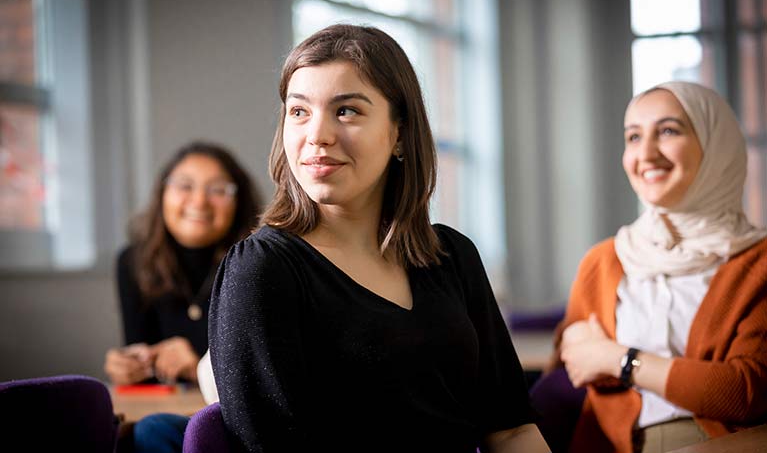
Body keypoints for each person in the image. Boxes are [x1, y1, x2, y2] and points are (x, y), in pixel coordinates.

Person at [208, 24, 549, 453]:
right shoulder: (261, 270)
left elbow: (512, 428)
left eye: (346, 110)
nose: (317, 135)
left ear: (400, 135)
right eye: (299, 112)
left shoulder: (452, 256)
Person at [536, 82, 767, 453]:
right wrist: (586, 356)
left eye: (668, 131)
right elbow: (576, 367)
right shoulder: (604, 260)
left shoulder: (759, 260)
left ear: (715, 145)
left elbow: (744, 393)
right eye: (633, 137)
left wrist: (618, 359)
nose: (645, 153)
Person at [104, 141, 260, 453]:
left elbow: (258, 370)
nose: (199, 201)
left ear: (238, 202)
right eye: (184, 186)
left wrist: (195, 364)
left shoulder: (254, 262)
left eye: (218, 189)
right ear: (163, 193)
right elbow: (142, 355)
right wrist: (127, 366)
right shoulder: (133, 263)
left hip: (227, 416)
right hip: (161, 412)